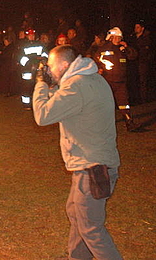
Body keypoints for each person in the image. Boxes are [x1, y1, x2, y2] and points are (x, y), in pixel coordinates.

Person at [33, 45, 122, 260]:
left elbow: (43, 115)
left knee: (91, 229)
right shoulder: (91, 79)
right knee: (76, 213)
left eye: (52, 67)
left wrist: (41, 84)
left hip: (91, 168)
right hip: (97, 165)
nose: (50, 71)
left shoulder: (76, 86)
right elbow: (66, 101)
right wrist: (52, 85)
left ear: (64, 65)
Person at [97, 27, 142, 132]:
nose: (118, 39)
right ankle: (100, 125)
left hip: (121, 81)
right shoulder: (104, 48)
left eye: (119, 37)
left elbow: (133, 56)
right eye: (116, 37)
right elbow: (97, 59)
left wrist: (126, 48)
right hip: (108, 81)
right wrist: (99, 69)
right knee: (105, 103)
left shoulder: (122, 49)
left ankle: (129, 123)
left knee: (124, 103)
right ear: (111, 37)